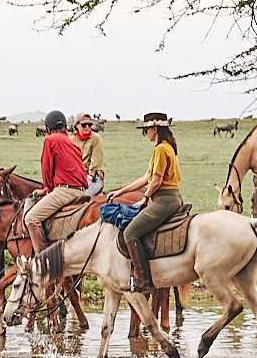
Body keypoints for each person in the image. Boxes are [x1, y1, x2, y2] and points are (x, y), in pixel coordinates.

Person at [114, 112, 183, 292]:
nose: (145, 134)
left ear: (154, 129)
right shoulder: (166, 147)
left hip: (164, 200)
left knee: (130, 232)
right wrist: (121, 191)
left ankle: (141, 278)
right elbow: (147, 177)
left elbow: (157, 181)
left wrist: (145, 198)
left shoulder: (161, 149)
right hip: (171, 197)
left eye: (146, 130)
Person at [24, 109, 90, 255]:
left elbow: (47, 169)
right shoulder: (73, 143)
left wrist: (47, 188)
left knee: (31, 218)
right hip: (81, 191)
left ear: (48, 128)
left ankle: (42, 262)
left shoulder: (50, 140)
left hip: (64, 191)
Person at [75, 113, 106, 195]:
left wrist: (90, 178)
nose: (87, 127)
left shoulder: (96, 138)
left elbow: (96, 160)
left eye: (89, 124)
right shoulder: (72, 140)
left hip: (93, 175)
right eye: (84, 125)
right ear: (77, 125)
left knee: (85, 196)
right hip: (76, 175)